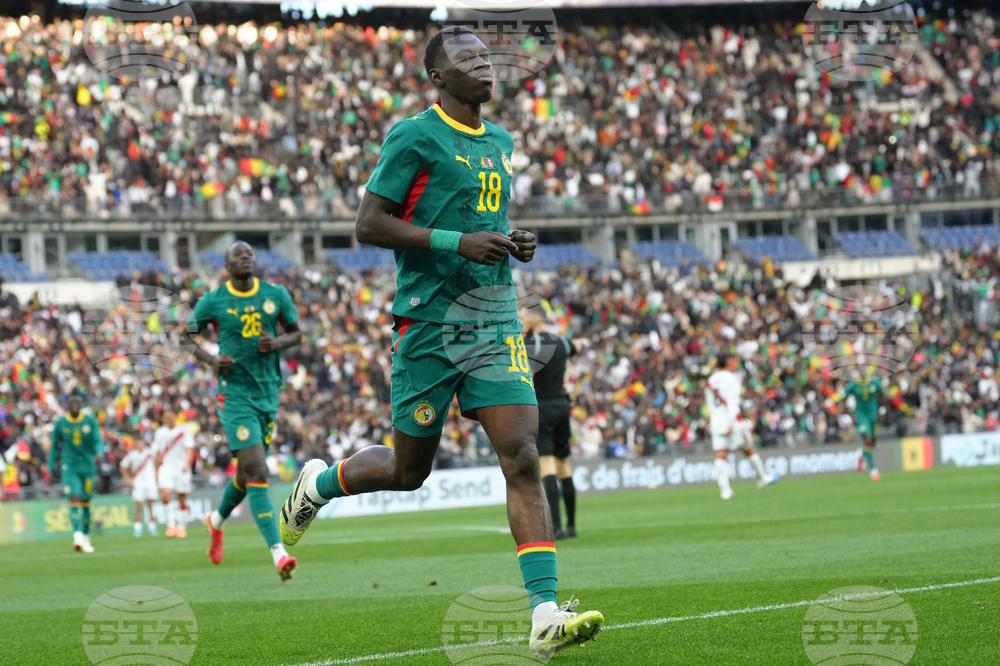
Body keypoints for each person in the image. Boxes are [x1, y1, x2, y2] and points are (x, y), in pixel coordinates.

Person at [278, 26, 603, 659]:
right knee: (409, 471)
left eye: (486, 56)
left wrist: (512, 241)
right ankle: (319, 485)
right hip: (428, 323)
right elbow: (368, 224)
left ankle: (543, 614)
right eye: (468, 60)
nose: (485, 66)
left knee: (522, 454)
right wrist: (456, 243)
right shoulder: (413, 135)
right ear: (438, 78)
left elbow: (483, 222)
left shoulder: (502, 141)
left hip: (493, 317)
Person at [189, 241, 303, 581]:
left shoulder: (275, 295)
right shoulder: (214, 300)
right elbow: (185, 336)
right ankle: (279, 554)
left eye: (250, 253)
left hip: (267, 392)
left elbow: (296, 333)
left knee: (246, 472)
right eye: (238, 254)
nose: (246, 256)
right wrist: (211, 360)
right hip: (234, 393)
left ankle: (216, 521)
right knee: (256, 469)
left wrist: (278, 342)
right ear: (227, 266)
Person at [524, 307, 590, 540]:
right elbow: (579, 345)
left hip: (543, 407)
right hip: (563, 405)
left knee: (548, 466)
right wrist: (582, 342)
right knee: (564, 465)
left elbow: (528, 375)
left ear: (533, 320)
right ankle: (571, 526)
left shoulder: (530, 345)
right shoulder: (561, 341)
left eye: (521, 317)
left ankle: (557, 529)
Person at [705, 354, 779, 499]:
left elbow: (709, 403)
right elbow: (732, 402)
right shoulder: (731, 378)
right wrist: (730, 422)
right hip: (732, 421)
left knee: (720, 455)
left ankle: (725, 491)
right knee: (748, 448)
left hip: (716, 421)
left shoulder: (710, 381)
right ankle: (763, 477)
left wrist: (715, 420)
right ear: (727, 363)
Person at [46, 393, 103, 552]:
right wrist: (50, 468)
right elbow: (53, 447)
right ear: (67, 405)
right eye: (71, 403)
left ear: (81, 404)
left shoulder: (90, 421)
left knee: (86, 503)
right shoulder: (60, 423)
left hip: (87, 467)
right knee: (74, 498)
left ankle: (85, 538)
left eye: (77, 402)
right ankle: (77, 537)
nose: (74, 405)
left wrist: (99, 452)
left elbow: (98, 440)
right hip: (69, 467)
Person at [152, 410, 196, 537]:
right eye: (166, 417)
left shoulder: (183, 431)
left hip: (180, 468)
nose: (169, 419)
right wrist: (155, 470)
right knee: (165, 494)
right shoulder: (160, 432)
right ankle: (170, 525)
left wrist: (187, 464)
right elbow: (157, 452)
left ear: (175, 417)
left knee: (182, 497)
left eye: (171, 417)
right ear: (163, 419)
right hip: (165, 468)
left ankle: (181, 526)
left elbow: (189, 448)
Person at [843, 374, 884, 480]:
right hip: (861, 416)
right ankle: (873, 469)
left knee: (872, 443)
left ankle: (861, 454)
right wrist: (850, 415)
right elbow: (843, 398)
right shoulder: (853, 385)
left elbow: (882, 395)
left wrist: (882, 409)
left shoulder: (875, 383)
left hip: (873, 416)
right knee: (868, 438)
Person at [121, 436, 159, 537]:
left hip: (150, 482)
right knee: (138, 505)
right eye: (138, 442)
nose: (140, 444)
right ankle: (137, 528)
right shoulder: (132, 454)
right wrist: (128, 479)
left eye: (141, 442)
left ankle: (152, 526)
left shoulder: (150, 452)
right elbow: (123, 466)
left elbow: (158, 459)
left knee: (150, 504)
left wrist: (156, 473)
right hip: (138, 482)